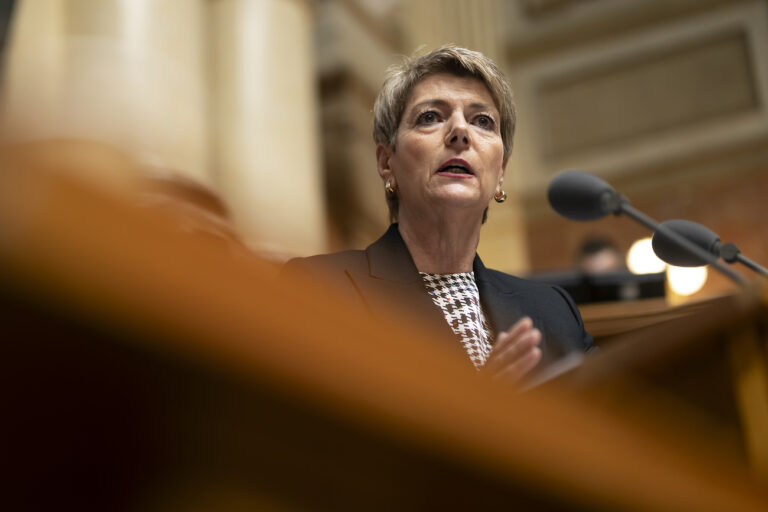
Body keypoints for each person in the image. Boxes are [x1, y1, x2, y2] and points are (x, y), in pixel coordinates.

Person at [284, 45, 593, 383]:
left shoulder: (554, 313)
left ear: (501, 172)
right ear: (386, 162)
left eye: (483, 121)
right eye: (430, 117)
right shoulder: (319, 290)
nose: (460, 132)